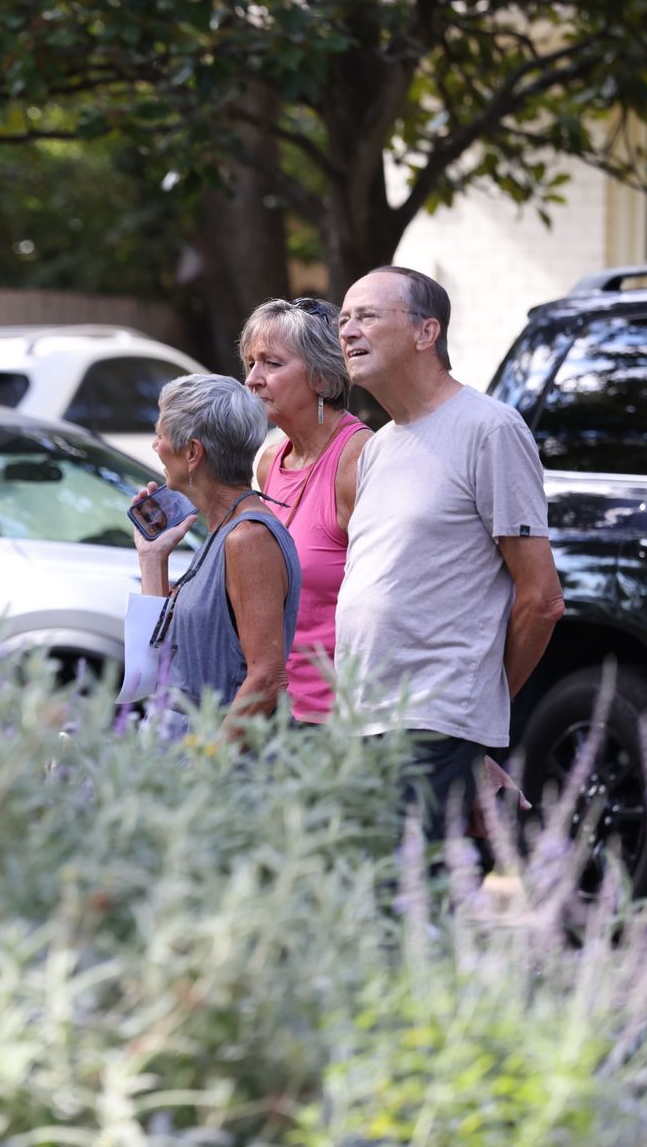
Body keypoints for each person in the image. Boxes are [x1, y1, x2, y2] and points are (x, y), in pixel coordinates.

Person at [333, 265, 563, 835]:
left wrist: (470, 717)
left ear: (425, 332)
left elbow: (541, 599)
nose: (348, 331)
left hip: (429, 719)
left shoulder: (490, 429)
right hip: (363, 718)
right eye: (344, 319)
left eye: (367, 315)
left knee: (399, 897)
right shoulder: (378, 448)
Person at [131, 374, 301, 728]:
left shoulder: (248, 539)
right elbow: (162, 658)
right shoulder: (225, 531)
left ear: (193, 452)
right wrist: (152, 558)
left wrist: (208, 767)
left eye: (160, 435)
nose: (155, 446)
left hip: (215, 765)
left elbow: (266, 680)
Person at [241, 297, 372, 721]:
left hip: (340, 720)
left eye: (271, 364)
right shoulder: (267, 463)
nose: (253, 380)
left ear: (320, 376)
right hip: (272, 713)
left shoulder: (360, 460)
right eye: (250, 364)